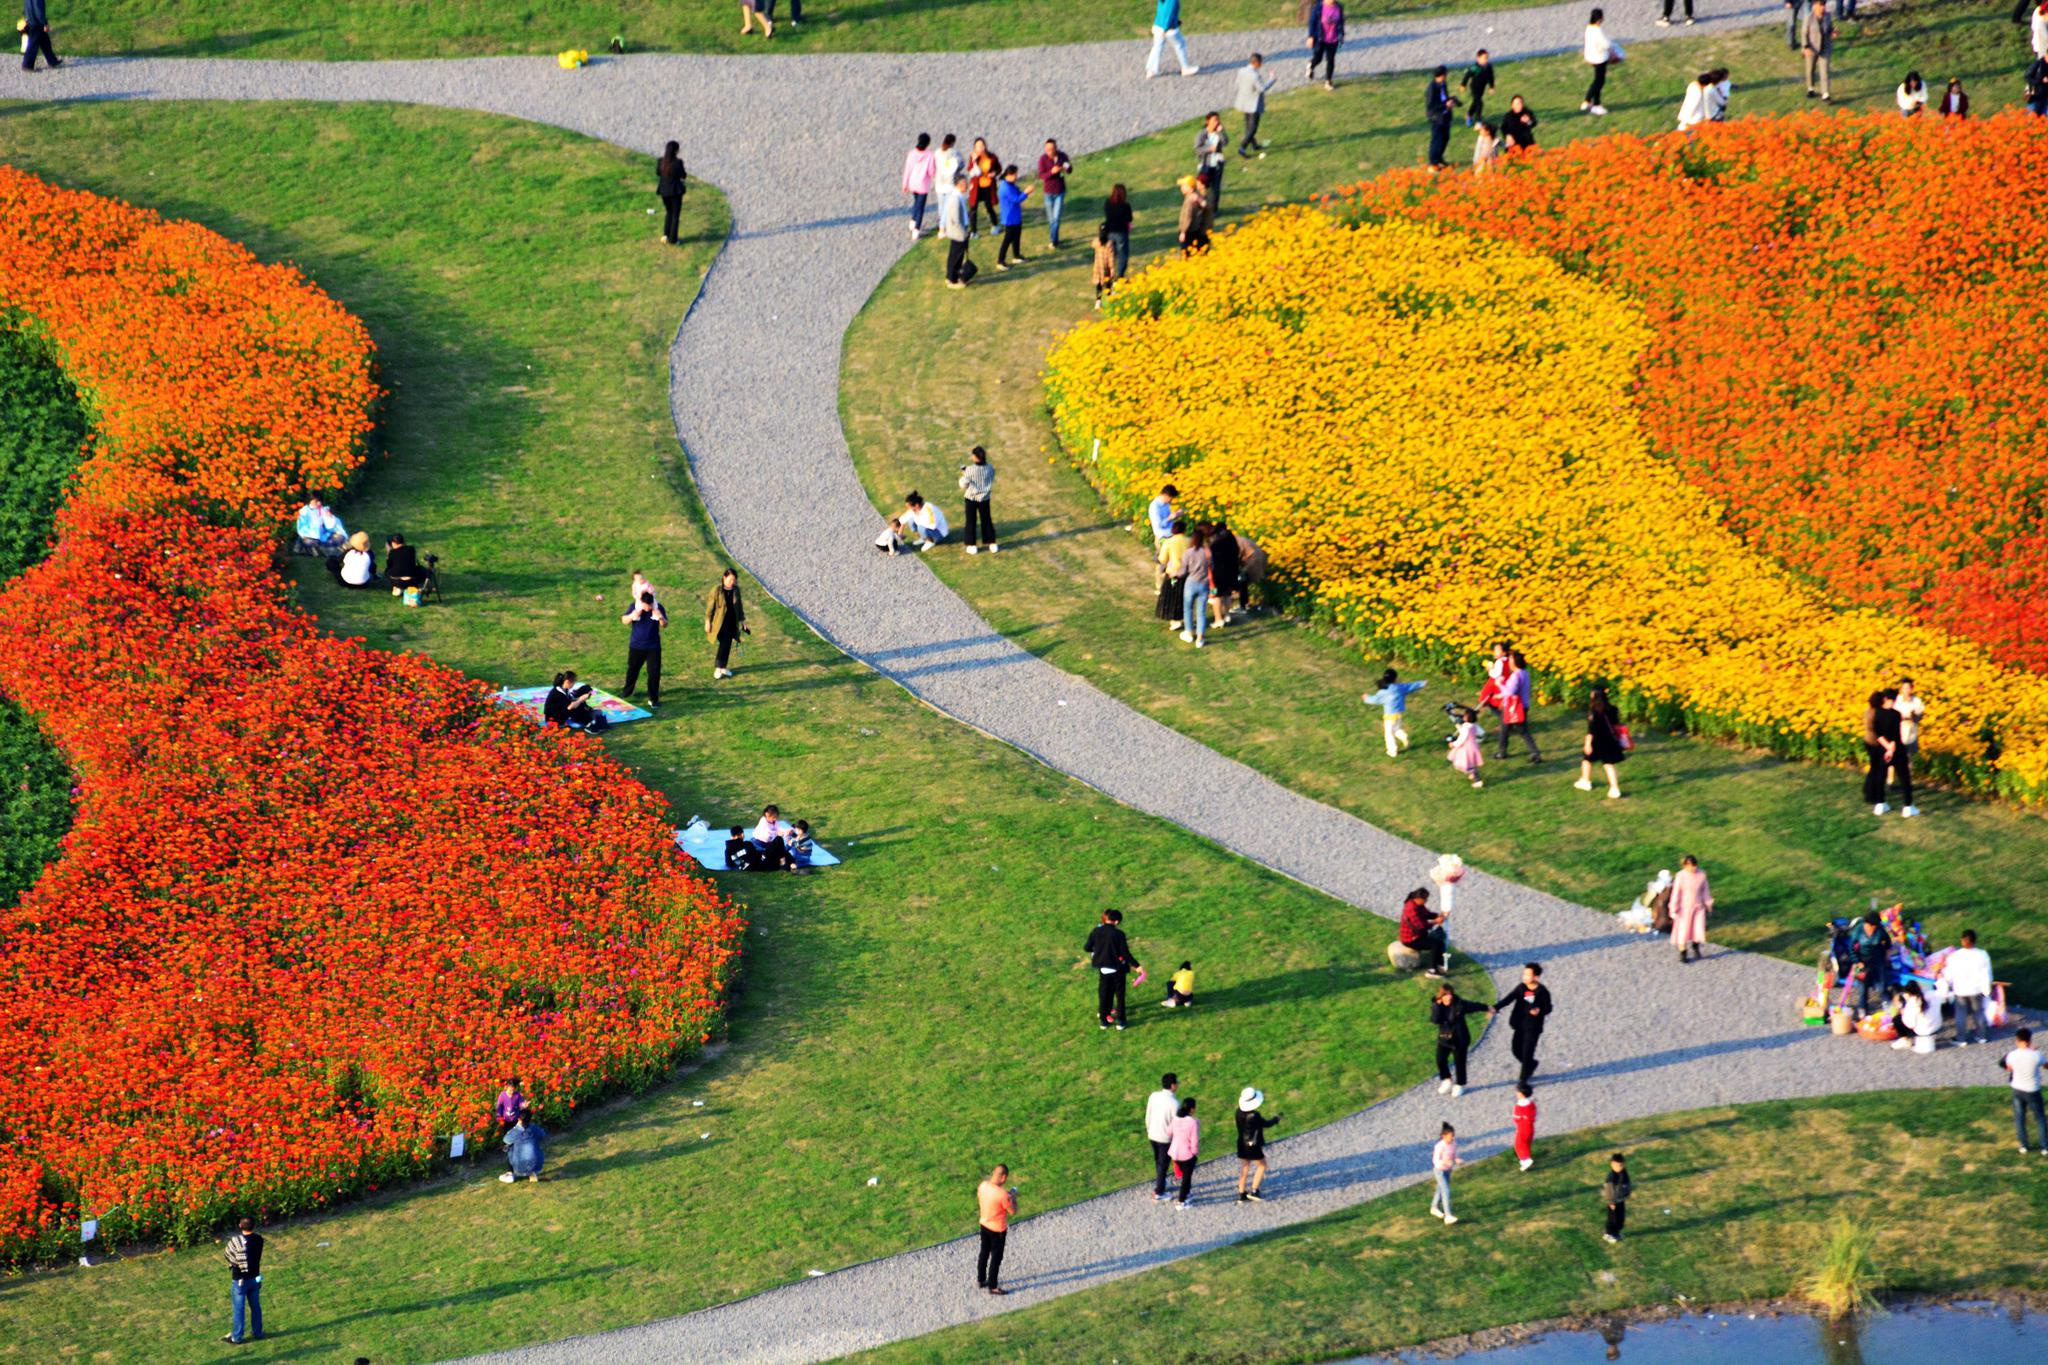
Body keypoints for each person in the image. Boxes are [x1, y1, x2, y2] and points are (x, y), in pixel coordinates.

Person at [1496, 962, 1553, 1085]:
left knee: (1527, 1052)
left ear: (1536, 977)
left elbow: (1548, 1008)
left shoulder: (1542, 992)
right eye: (1524, 974)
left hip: (1533, 1028)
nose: (1524, 977)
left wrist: (1539, 1010)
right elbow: (1508, 999)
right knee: (1516, 1050)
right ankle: (1531, 1064)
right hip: (1519, 1025)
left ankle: (1523, 1080)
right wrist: (1495, 1008)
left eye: (1528, 975)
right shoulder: (1521, 988)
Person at [1864, 688, 1917, 816]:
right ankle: (1908, 807)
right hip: (1897, 749)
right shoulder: (1895, 714)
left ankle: (1880, 804)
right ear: (1893, 700)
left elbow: (1878, 733)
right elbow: (1894, 734)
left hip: (1883, 749)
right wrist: (1892, 748)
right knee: (1904, 777)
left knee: (1881, 776)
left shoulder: (1877, 713)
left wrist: (1886, 748)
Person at [1086, 908, 1140, 1029]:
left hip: (1103, 969)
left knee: (1104, 994)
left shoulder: (1096, 931)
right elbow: (1125, 953)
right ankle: (1121, 1021)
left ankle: (1103, 1021)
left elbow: (1087, 947)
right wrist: (1137, 966)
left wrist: (1099, 950)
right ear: (1116, 922)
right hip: (1117, 969)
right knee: (1120, 996)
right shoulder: (1119, 934)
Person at [1432, 982, 1490, 1094]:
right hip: (1444, 1038)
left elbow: (1474, 1006)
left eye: (1450, 994)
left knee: (1460, 1062)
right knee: (1440, 1059)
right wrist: (1437, 1006)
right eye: (1446, 995)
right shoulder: (1438, 1006)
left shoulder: (1460, 1005)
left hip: (1460, 1038)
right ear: (1441, 996)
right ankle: (1446, 1080)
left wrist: (1487, 1007)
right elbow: (1435, 1020)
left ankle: (1460, 1084)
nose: (1448, 997)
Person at [1939, 930, 1994, 1045]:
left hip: (1961, 989)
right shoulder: (1982, 954)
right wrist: (1987, 988)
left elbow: (1949, 974)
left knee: (1960, 1014)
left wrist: (1943, 978)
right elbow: (1987, 973)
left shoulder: (1955, 956)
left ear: (1963, 940)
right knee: (1978, 1012)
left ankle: (1961, 1038)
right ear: (1974, 940)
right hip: (1977, 989)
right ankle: (1982, 1035)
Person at [1575, 686, 1626, 799]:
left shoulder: (1593, 712)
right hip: (1610, 740)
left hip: (1597, 741)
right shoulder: (1612, 709)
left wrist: (1587, 744)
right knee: (1605, 763)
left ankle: (1587, 781)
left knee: (1589, 760)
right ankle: (1612, 788)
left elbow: (1591, 731)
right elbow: (1616, 724)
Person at [1364, 669, 1427, 757]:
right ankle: (1404, 737)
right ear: (1395, 678)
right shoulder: (1400, 687)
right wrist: (1422, 683)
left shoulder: (1383, 692)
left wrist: (1367, 698)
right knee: (1397, 729)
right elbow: (1410, 686)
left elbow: (1376, 700)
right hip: (1399, 714)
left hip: (1389, 717)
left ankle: (1392, 751)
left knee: (1389, 733)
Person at [975, 1164, 1017, 1294]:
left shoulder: (982, 1186)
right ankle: (993, 1286)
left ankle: (981, 1279)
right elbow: (1013, 1211)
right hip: (997, 1230)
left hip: (984, 1224)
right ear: (1004, 1177)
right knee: (996, 1258)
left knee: (984, 1252)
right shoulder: (1003, 1194)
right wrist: (1013, 1198)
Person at [621, 589, 666, 708]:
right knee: (633, 670)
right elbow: (624, 620)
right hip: (636, 646)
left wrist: (660, 618)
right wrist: (632, 616)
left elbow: (665, 624)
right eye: (645, 606)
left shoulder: (658, 607)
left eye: (649, 606)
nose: (647, 608)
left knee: (654, 673)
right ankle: (627, 692)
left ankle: (653, 698)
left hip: (653, 647)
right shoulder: (634, 607)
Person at [223, 1216, 264, 1344]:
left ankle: (237, 1336)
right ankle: (257, 1332)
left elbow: (228, 1255)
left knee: (239, 1309)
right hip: (255, 1278)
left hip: (240, 1280)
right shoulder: (259, 1240)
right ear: (254, 1226)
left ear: (240, 1226)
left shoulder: (236, 1241)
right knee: (255, 1306)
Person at [1234, 1088, 1280, 1202]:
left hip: (1241, 1143)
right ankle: (1254, 1190)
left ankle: (1241, 1192)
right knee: (1262, 1165)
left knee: (1245, 1167)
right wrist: (1276, 1119)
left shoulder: (1238, 1112)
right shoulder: (1254, 1115)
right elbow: (1266, 1124)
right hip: (1252, 1144)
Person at [2004, 1028, 2045, 1155]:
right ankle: (2045, 1146)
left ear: (2017, 1040)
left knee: (2020, 1118)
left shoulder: (2012, 1055)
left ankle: (2024, 1145)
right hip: (2033, 1089)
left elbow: (2009, 1069)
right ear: (2030, 1039)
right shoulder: (2036, 1055)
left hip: (2017, 1089)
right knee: (2040, 1118)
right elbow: (2046, 1065)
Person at [1846, 911, 1891, 1017]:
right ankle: (1862, 1008)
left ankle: (1887, 1006)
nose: (1875, 928)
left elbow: (1887, 942)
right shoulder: (1859, 930)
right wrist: (1857, 961)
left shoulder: (1879, 930)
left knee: (1882, 985)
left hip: (1878, 960)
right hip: (1863, 961)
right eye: (1873, 926)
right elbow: (1851, 948)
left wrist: (1885, 953)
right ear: (1867, 924)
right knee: (1863, 987)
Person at [1668, 854, 1712, 963]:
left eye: (1694, 866)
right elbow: (1676, 893)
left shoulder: (1701, 875)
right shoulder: (1681, 876)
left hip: (1698, 907)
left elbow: (1705, 891)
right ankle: (1683, 952)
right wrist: (1673, 908)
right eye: (1691, 866)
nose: (1693, 868)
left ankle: (1696, 946)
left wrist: (1708, 904)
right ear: (1685, 866)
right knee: (1683, 930)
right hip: (1684, 908)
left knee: (1697, 929)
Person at [704, 567, 747, 680]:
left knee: (728, 644)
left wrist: (742, 621)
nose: (732, 582)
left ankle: (723, 667)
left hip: (732, 621)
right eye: (730, 579)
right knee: (723, 643)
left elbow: (739, 606)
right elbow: (710, 607)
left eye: (734, 580)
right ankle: (718, 667)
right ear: (724, 578)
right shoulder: (717, 590)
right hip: (720, 623)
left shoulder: (736, 590)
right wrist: (708, 621)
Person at [1497, 652, 1541, 761]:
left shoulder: (1515, 676)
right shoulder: (1525, 673)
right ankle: (1502, 752)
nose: (1509, 662)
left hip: (1514, 708)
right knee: (1506, 729)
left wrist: (1500, 684)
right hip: (1523, 705)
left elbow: (1509, 692)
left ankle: (1535, 753)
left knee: (1520, 730)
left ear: (1515, 662)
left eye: (1511, 660)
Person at [1401, 886, 1450, 979]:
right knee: (1434, 945)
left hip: (1418, 935)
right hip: (1411, 939)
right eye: (1425, 899)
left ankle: (1438, 963)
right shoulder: (1411, 909)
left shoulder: (1416, 904)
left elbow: (1426, 914)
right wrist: (1436, 921)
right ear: (1418, 899)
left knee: (1439, 942)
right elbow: (1421, 925)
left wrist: (1438, 915)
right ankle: (1431, 971)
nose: (1426, 901)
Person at [1146, 1073, 1181, 1199]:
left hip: (1152, 1134)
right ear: (1172, 1086)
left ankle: (1161, 1181)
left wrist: (1149, 1129)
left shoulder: (1154, 1096)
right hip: (1164, 1138)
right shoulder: (1175, 1103)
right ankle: (1159, 1191)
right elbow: (1176, 1125)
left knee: (1158, 1160)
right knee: (1163, 1163)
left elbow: (1148, 1115)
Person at [1582, 9, 1622, 117]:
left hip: (1591, 56)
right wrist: (1614, 54)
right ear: (1600, 19)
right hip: (1599, 58)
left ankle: (1591, 102)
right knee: (1599, 82)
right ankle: (1593, 103)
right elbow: (1606, 44)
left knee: (1598, 81)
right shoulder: (1597, 31)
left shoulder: (1589, 28)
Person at [1179, 525, 1214, 648]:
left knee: (1188, 609)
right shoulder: (1207, 552)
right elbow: (1212, 567)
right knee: (1201, 612)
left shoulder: (1188, 553)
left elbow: (1183, 571)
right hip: (1204, 584)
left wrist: (1174, 574)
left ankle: (1188, 632)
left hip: (1191, 583)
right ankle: (1200, 639)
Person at [958, 446, 998, 553]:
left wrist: (964, 473)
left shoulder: (970, 470)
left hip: (971, 498)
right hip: (985, 498)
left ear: (975, 457)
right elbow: (990, 476)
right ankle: (992, 543)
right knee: (987, 520)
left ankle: (972, 545)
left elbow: (963, 484)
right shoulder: (990, 467)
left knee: (971, 521)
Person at [1234, 53, 1275, 155]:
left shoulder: (1241, 71)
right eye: (1260, 62)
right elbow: (1262, 89)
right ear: (1256, 62)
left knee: (1248, 126)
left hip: (1244, 103)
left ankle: (1254, 145)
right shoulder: (1255, 75)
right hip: (1253, 104)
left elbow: (1237, 84)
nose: (1261, 64)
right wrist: (1271, 79)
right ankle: (1242, 147)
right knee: (1253, 129)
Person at [1146, 0, 1198, 79]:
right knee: (1180, 45)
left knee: (1157, 47)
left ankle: (1151, 70)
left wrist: (1177, 21)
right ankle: (1185, 68)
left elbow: (1163, 12)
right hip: (1169, 29)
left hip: (1158, 26)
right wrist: (1165, 28)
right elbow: (1169, 13)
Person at [940, 173, 975, 289]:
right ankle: (952, 280)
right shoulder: (955, 199)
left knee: (954, 256)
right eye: (965, 184)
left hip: (956, 232)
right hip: (958, 233)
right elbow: (955, 219)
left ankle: (950, 276)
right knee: (956, 258)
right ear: (960, 185)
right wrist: (964, 233)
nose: (967, 185)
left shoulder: (957, 196)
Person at [1036, 139, 1072, 248]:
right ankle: (1055, 239)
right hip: (1048, 192)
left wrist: (1065, 168)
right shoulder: (1043, 159)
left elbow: (1069, 169)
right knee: (1052, 220)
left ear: (1055, 148)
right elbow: (1042, 175)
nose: (1049, 151)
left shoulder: (1062, 156)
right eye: (1047, 149)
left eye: (1051, 149)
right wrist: (1052, 172)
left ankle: (1054, 241)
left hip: (1060, 192)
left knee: (1056, 219)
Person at [1206, 513, 1240, 629]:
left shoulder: (1217, 544)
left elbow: (1211, 558)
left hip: (1218, 573)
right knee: (1227, 594)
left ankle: (1218, 619)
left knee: (1217, 596)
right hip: (1232, 571)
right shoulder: (1232, 539)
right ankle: (1227, 615)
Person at [542, 671, 607, 732]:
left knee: (579, 702)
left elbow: (569, 700)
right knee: (576, 707)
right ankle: (588, 724)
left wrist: (580, 698)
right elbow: (569, 707)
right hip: (554, 719)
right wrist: (581, 699)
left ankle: (589, 716)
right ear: (567, 682)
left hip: (560, 712)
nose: (574, 685)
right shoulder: (557, 693)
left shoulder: (564, 689)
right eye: (573, 682)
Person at [1156, 516, 1192, 628]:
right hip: (1187, 573)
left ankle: (1175, 620)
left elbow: (1162, 559)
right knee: (1184, 596)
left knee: (1172, 596)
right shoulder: (1189, 541)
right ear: (1184, 530)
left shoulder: (1168, 542)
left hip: (1173, 574)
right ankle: (1186, 617)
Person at [995, 165, 1030, 269]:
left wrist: (1022, 192)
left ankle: (1016, 256)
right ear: (1009, 175)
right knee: (1008, 239)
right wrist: (1026, 192)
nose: (1016, 176)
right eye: (1015, 174)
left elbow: (1017, 193)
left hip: (1015, 216)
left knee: (1017, 237)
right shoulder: (1005, 187)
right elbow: (1016, 199)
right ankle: (1000, 261)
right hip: (1009, 218)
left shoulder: (1011, 184)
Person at [901, 133, 936, 239]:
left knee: (916, 203)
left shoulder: (912, 154)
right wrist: (934, 177)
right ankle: (916, 229)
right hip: (923, 185)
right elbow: (931, 171)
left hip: (913, 183)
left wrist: (905, 184)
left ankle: (912, 221)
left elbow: (908, 170)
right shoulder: (930, 155)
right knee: (920, 207)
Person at [1167, 1098, 1200, 1207]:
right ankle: (1181, 1201)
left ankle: (1187, 1194)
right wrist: (1194, 1153)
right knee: (1186, 1178)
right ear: (1192, 1109)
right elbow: (1194, 1141)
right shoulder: (1193, 1122)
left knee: (1185, 1176)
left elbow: (1169, 1132)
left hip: (1175, 1153)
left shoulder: (1175, 1119)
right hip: (1186, 1155)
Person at [1195, 112, 1228, 218]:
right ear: (1207, 121)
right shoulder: (1202, 134)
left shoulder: (1219, 133)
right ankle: (1200, 209)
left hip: (1217, 164)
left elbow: (1225, 142)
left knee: (1215, 189)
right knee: (1202, 187)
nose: (1216, 122)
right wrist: (1209, 149)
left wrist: (1221, 132)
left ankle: (1213, 211)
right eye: (1214, 120)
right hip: (1205, 164)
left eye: (1217, 120)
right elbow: (1197, 149)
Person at [1425, 66, 1458, 169]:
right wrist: (1445, 105)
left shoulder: (1443, 84)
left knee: (1445, 138)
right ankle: (1433, 162)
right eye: (1446, 74)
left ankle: (1439, 158)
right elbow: (1431, 106)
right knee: (1437, 140)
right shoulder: (1432, 88)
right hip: (1437, 118)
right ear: (1442, 75)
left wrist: (1452, 100)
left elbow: (1444, 98)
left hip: (1445, 116)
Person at [656, 140, 688, 246]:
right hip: (675, 192)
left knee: (668, 212)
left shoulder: (661, 161)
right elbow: (683, 175)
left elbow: (658, 172)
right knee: (675, 215)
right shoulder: (678, 163)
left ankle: (666, 234)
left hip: (664, 191)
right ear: (676, 151)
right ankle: (673, 239)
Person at [502, 1106, 546, 1182]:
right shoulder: (533, 1128)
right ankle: (532, 1172)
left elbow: (506, 1140)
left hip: (519, 1167)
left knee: (509, 1146)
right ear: (531, 1119)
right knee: (535, 1144)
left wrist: (516, 1127)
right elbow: (542, 1135)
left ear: (519, 1119)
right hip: (536, 1165)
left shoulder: (517, 1130)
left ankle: (510, 1173)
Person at [967, 138, 1001, 234]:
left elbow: (999, 168)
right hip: (977, 187)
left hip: (988, 186)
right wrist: (973, 161)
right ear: (975, 147)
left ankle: (995, 225)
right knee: (973, 208)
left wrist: (994, 173)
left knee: (989, 206)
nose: (980, 148)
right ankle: (974, 231)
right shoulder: (973, 157)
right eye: (978, 146)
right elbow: (969, 170)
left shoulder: (992, 157)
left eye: (982, 145)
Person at [1802, 1, 1834, 102]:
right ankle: (1810, 88)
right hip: (1812, 48)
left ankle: (1825, 94)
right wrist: (1806, 47)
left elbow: (1829, 29)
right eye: (1821, 5)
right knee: (1810, 69)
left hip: (1825, 47)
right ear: (1815, 6)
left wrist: (1833, 32)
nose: (1823, 8)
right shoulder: (1808, 17)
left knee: (1824, 71)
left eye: (1824, 5)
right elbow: (1804, 33)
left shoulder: (1828, 16)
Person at [1429, 1122, 1459, 1224]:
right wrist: (1446, 1162)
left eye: (1453, 1135)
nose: (1452, 1138)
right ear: (1444, 1136)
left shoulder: (1454, 1143)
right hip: (1439, 1171)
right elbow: (1435, 1161)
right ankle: (1448, 1215)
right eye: (1450, 1136)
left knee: (1440, 1189)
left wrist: (1456, 1160)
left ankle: (1434, 1207)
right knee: (1446, 1190)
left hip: (1448, 1170)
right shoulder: (1439, 1146)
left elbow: (1453, 1155)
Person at [751, 803, 797, 870]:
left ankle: (792, 863)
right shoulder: (763, 821)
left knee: (782, 848)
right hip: (759, 844)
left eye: (776, 817)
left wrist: (787, 832)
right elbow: (768, 837)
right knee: (778, 845)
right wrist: (780, 834)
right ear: (767, 815)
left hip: (769, 844)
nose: (775, 819)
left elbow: (779, 828)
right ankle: (784, 863)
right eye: (773, 817)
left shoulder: (774, 822)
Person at [1103, 183, 1135, 279]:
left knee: (1110, 255)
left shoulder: (1107, 203)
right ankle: (1120, 275)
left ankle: (1108, 274)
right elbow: (1129, 218)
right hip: (1121, 233)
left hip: (1109, 233)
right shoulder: (1125, 206)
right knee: (1122, 255)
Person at [1447, 707, 1485, 788]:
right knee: (1470, 763)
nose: (1463, 716)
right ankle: (1473, 775)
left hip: (1466, 749)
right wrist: (1459, 727)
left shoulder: (1466, 728)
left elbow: (1461, 739)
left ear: (1467, 717)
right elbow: (1477, 732)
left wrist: (1453, 744)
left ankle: (1478, 780)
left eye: (1465, 715)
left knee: (1466, 765)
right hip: (1473, 746)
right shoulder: (1473, 726)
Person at [1308, 0, 1342, 87]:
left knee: (1330, 60)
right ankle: (1311, 65)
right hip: (1320, 38)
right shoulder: (1319, 7)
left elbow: (1341, 22)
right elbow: (1312, 22)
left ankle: (1328, 81)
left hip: (1333, 39)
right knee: (1318, 58)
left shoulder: (1339, 7)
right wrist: (1311, 36)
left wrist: (1341, 35)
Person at [1176, 175, 1211, 256]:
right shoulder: (1196, 196)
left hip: (1189, 231)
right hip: (1196, 230)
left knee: (1186, 253)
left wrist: (1183, 232)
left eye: (1184, 186)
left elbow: (1187, 216)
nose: (1181, 188)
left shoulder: (1190, 200)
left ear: (1191, 189)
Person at [1895, 677, 1925, 770]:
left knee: (1908, 756)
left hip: (1911, 731)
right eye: (1904, 688)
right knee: (1895, 755)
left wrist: (1914, 716)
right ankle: (1890, 780)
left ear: (1912, 689)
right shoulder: (1897, 700)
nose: (1906, 691)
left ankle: (1907, 779)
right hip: (1898, 730)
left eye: (1908, 688)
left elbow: (1920, 715)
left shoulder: (1916, 701)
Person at [20, 0, 59, 71]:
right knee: (33, 45)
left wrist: (26, 18)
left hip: (30, 21)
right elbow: (39, 11)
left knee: (45, 42)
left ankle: (52, 61)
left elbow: (26, 7)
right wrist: (45, 23)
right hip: (37, 23)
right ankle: (27, 65)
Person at [1460, 49, 1495, 127]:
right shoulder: (1475, 67)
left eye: (1487, 58)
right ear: (1478, 58)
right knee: (1479, 103)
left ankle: (1468, 115)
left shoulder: (1488, 67)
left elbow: (1491, 77)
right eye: (1484, 58)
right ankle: (1478, 121)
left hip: (1482, 87)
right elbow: (1467, 75)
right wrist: (1463, 85)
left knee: (1475, 103)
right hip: (1474, 87)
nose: (1486, 60)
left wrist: (1491, 87)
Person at [1602, 1152, 1631, 1243]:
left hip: (1620, 1199)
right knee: (1613, 1219)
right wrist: (1611, 1202)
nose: (1619, 1167)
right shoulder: (1611, 1177)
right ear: (1612, 1165)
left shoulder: (1624, 1173)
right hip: (1613, 1201)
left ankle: (1616, 1232)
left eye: (1621, 1165)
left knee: (1620, 1218)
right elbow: (1609, 1191)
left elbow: (1626, 1184)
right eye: (1617, 1166)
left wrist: (1627, 1193)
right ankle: (1608, 1234)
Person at [1512, 1082, 1537, 1170]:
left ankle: (1526, 1160)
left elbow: (1516, 1117)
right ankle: (1526, 1158)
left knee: (1519, 1144)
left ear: (1521, 1094)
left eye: (1518, 1092)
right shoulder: (1531, 1104)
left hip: (1522, 1127)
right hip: (1530, 1127)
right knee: (1527, 1143)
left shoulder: (1519, 1106)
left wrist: (1517, 1119)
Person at [934, 133, 963, 209]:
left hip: (939, 182)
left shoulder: (937, 152)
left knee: (941, 205)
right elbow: (961, 165)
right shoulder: (954, 153)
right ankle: (946, 220)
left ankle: (942, 220)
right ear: (953, 142)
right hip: (950, 182)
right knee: (949, 206)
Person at [1092, 224, 1119, 306]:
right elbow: (1111, 258)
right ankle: (1109, 300)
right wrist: (1112, 269)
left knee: (1098, 285)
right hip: (1106, 268)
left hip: (1098, 267)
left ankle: (1098, 302)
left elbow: (1092, 244)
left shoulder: (1096, 242)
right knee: (1108, 285)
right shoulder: (1109, 244)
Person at [2028, 51, 2048, 116]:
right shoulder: (2037, 64)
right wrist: (2041, 80)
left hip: (2045, 95)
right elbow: (2028, 77)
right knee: (2034, 113)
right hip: (2035, 94)